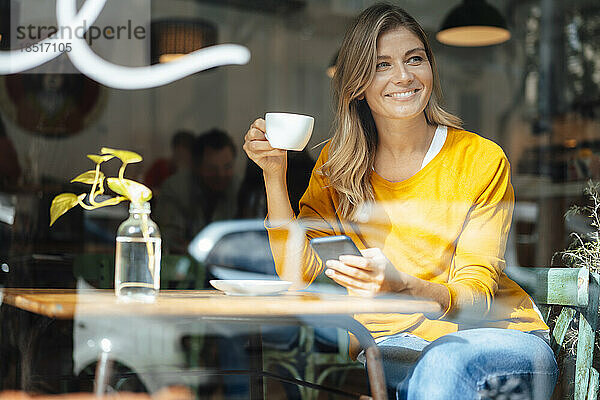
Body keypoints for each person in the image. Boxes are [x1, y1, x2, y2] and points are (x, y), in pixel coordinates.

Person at [243, 3, 558, 399]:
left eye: (415, 59)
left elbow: (476, 295)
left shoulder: (479, 159)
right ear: (357, 83)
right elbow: (299, 274)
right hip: (397, 344)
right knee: (420, 367)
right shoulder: (336, 166)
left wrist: (405, 287)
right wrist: (274, 175)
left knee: (442, 365)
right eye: (382, 65)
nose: (404, 76)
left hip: (499, 337)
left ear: (430, 69)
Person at [156, 128, 238, 254]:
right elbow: (169, 241)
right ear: (196, 166)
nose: (220, 175)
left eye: (227, 167)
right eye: (212, 168)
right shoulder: (175, 189)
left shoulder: (240, 189)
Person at [144, 130, 194, 194]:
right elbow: (146, 188)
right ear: (174, 148)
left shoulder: (195, 171)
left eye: (186, 149)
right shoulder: (160, 166)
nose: (183, 153)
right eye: (180, 149)